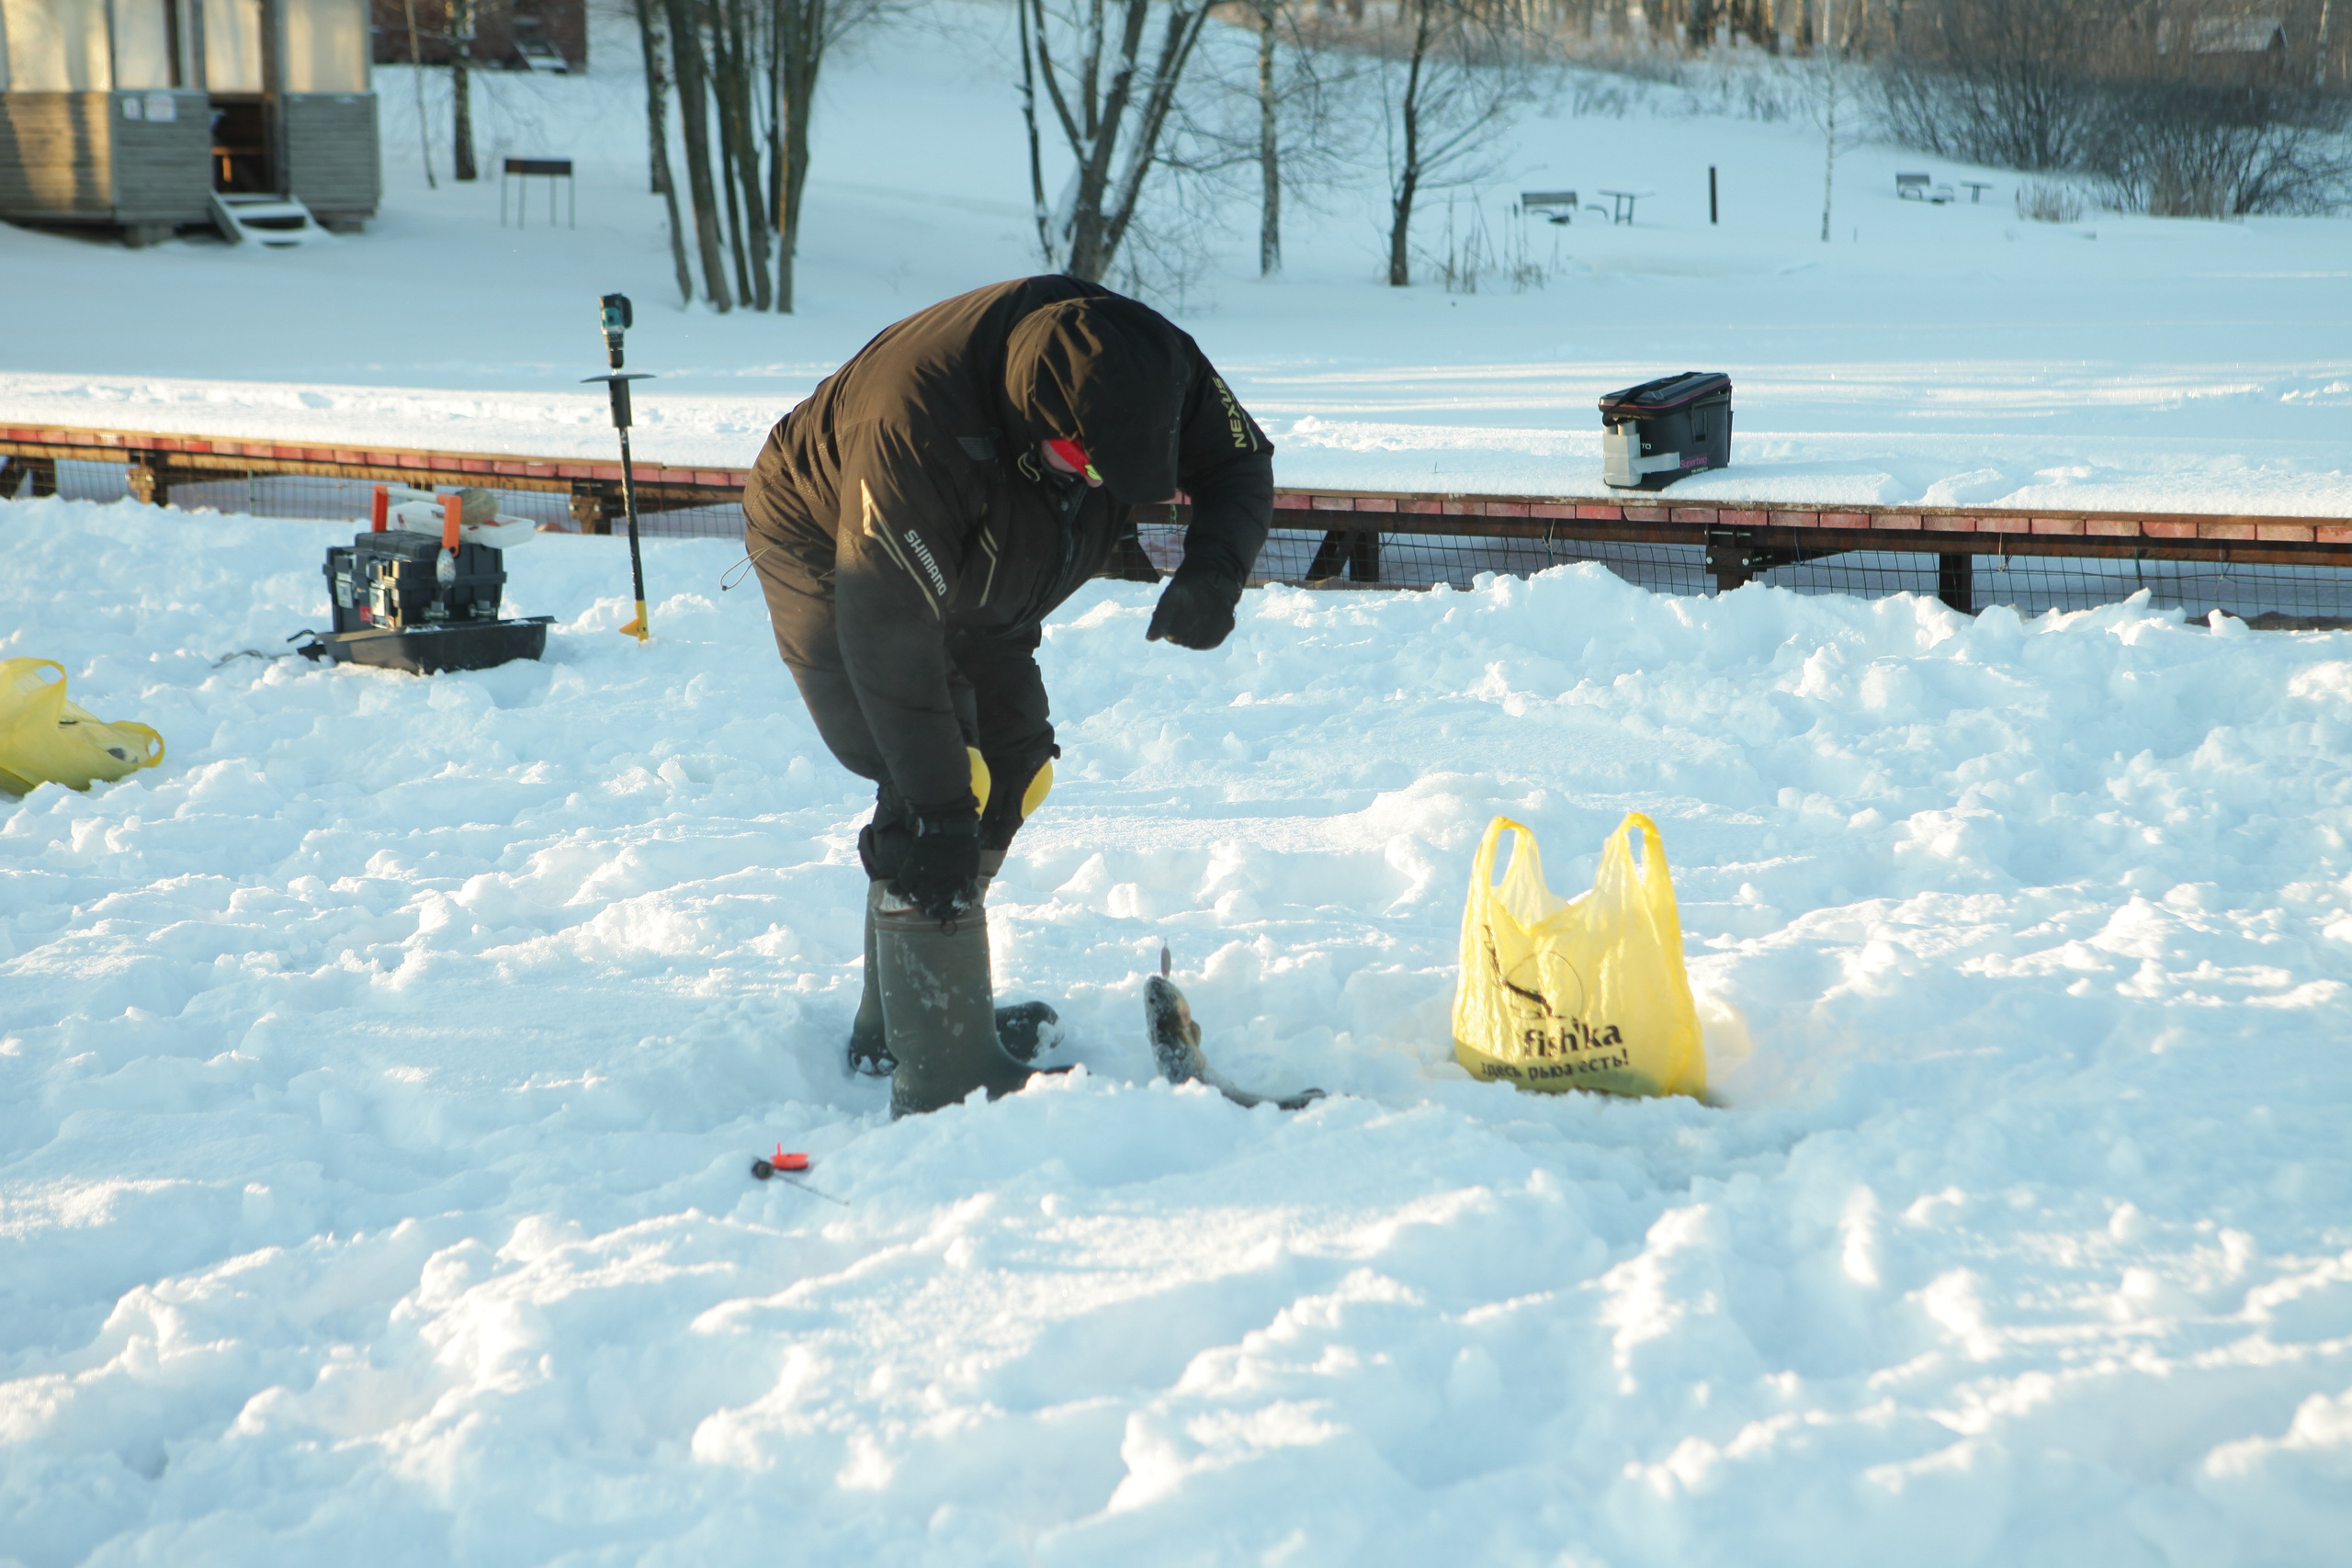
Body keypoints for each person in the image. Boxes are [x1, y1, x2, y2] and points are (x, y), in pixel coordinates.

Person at [742, 277, 1274, 1116]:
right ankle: (941, 1070)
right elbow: (887, 632)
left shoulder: (1157, 365)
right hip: (834, 546)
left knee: (1018, 767)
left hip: (988, 558)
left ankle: (908, 1021)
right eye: (1091, 467)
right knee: (938, 786)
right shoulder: (913, 427)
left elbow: (1240, 457)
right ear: (1045, 423)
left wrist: (1214, 570)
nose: (1106, 488)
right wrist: (940, 808)